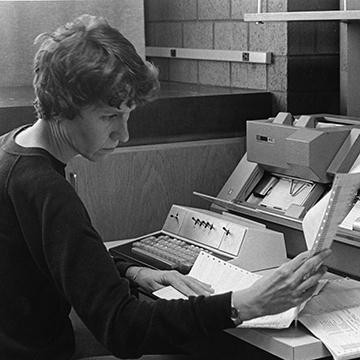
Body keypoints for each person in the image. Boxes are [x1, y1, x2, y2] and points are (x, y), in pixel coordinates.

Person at [0, 14, 331, 360]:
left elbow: (61, 258)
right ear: (63, 106)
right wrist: (247, 303)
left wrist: (131, 271)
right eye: (110, 116)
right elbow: (123, 330)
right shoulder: (46, 189)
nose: (124, 135)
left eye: (128, 115)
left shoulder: (14, 150)